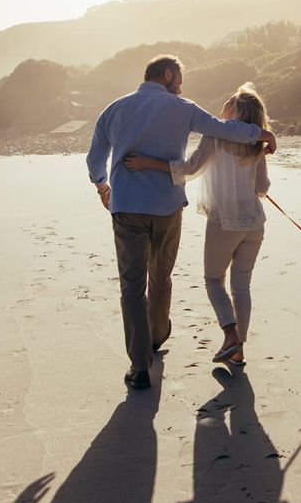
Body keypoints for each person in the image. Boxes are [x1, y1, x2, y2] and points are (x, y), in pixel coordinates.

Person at [86, 56, 277, 390]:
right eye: (181, 79)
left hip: (127, 206)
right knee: (161, 276)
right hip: (168, 207)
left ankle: (139, 365)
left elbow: (95, 159)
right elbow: (223, 129)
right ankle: (159, 334)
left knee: (132, 285)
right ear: (169, 75)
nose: (182, 86)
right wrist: (260, 133)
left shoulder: (113, 109)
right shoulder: (183, 107)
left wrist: (103, 185)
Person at [125, 84, 270, 367]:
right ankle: (238, 348)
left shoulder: (215, 137)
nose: (222, 108)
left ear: (234, 111)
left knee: (214, 280)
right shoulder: (257, 144)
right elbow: (262, 187)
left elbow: (188, 169)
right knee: (242, 286)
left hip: (223, 223)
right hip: (254, 223)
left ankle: (230, 336)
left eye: (228, 104)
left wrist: (147, 163)